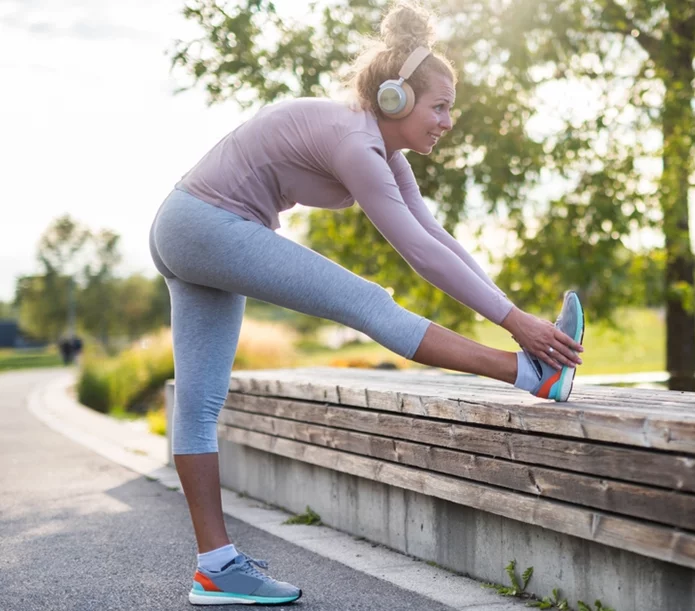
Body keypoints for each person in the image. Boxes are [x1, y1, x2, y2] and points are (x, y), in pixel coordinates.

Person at [147, 2, 585, 605]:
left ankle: (215, 569)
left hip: (187, 227)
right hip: (207, 226)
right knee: (370, 303)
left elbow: (438, 240)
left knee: (199, 404)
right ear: (396, 101)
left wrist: (514, 316)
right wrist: (518, 330)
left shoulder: (385, 153)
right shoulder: (356, 143)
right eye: (439, 107)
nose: (447, 121)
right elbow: (419, 257)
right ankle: (531, 375)